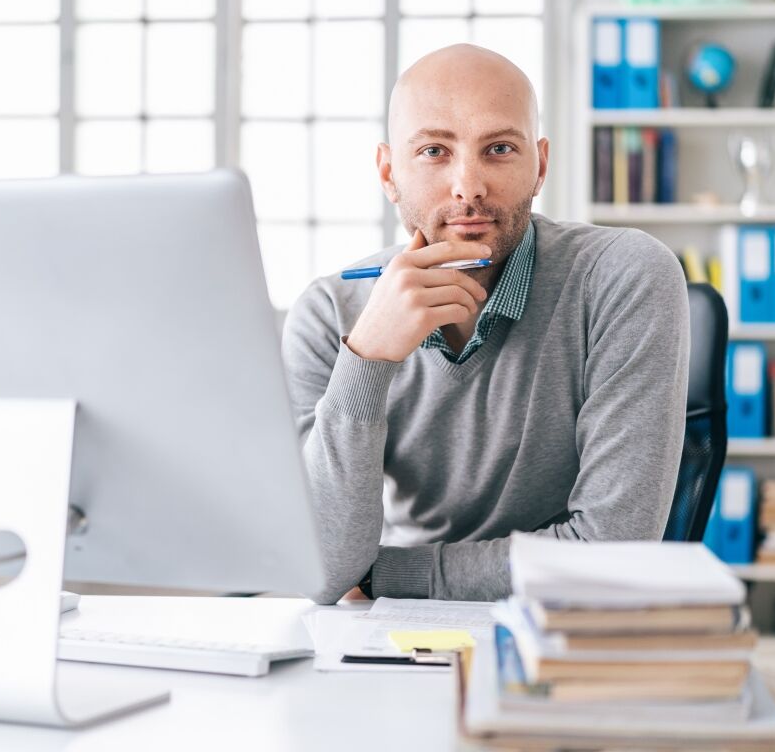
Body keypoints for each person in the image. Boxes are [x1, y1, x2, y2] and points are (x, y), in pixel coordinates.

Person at [282, 44, 689, 604]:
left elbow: (610, 549)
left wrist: (382, 576)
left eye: (498, 149)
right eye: (433, 151)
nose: (468, 186)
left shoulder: (623, 274)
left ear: (540, 164)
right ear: (388, 171)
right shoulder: (330, 315)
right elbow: (320, 570)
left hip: (559, 625)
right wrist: (368, 362)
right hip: (380, 636)